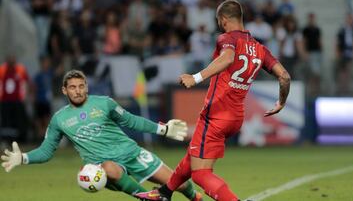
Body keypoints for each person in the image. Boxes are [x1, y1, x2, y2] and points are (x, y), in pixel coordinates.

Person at [135, 0, 291, 201]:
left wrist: (195, 77)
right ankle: (164, 193)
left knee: (200, 173)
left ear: (224, 19)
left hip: (216, 114)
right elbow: (284, 76)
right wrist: (281, 102)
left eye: (218, 20)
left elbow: (226, 59)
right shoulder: (260, 48)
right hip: (235, 117)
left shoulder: (227, 39)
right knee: (193, 156)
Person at [1, 70, 203, 201]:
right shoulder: (59, 119)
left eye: (81, 86)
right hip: (103, 167)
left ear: (86, 87)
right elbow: (46, 151)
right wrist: (24, 158)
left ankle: (195, 198)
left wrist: (163, 129)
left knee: (181, 183)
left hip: (132, 153)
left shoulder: (104, 103)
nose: (78, 91)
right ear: (64, 90)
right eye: (72, 87)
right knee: (109, 167)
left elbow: (131, 120)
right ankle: (145, 196)